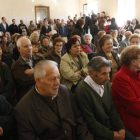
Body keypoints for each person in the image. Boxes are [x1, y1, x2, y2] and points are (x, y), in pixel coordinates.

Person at [15, 60, 94, 140]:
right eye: (52, 79)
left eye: (58, 77)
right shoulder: (23, 109)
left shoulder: (64, 90)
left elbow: (79, 121)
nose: (57, 83)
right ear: (38, 81)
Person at [75, 56, 136, 140]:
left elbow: (112, 109)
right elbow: (90, 122)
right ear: (91, 73)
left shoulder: (105, 82)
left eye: (109, 73)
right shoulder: (82, 90)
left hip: (111, 126)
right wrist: (111, 135)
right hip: (97, 133)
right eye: (103, 74)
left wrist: (121, 127)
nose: (108, 78)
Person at [111, 45, 140, 138]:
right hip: (130, 119)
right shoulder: (121, 78)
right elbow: (134, 107)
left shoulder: (136, 72)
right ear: (133, 61)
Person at [11, 37, 39, 101]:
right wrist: (40, 73)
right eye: (26, 46)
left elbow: (47, 72)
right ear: (19, 49)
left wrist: (34, 71)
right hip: (26, 96)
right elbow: (25, 81)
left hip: (41, 93)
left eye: (30, 45)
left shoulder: (38, 58)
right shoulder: (16, 65)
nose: (29, 48)